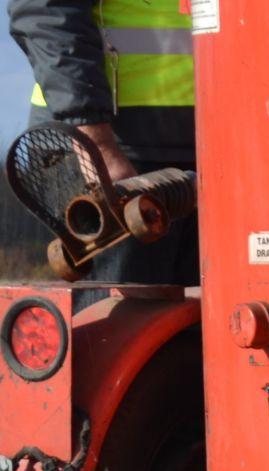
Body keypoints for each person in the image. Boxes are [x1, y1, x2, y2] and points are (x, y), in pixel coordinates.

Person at [8, 0, 196, 284]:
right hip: (110, 154)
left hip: (211, 145)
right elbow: (45, 10)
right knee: (124, 319)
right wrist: (96, 145)